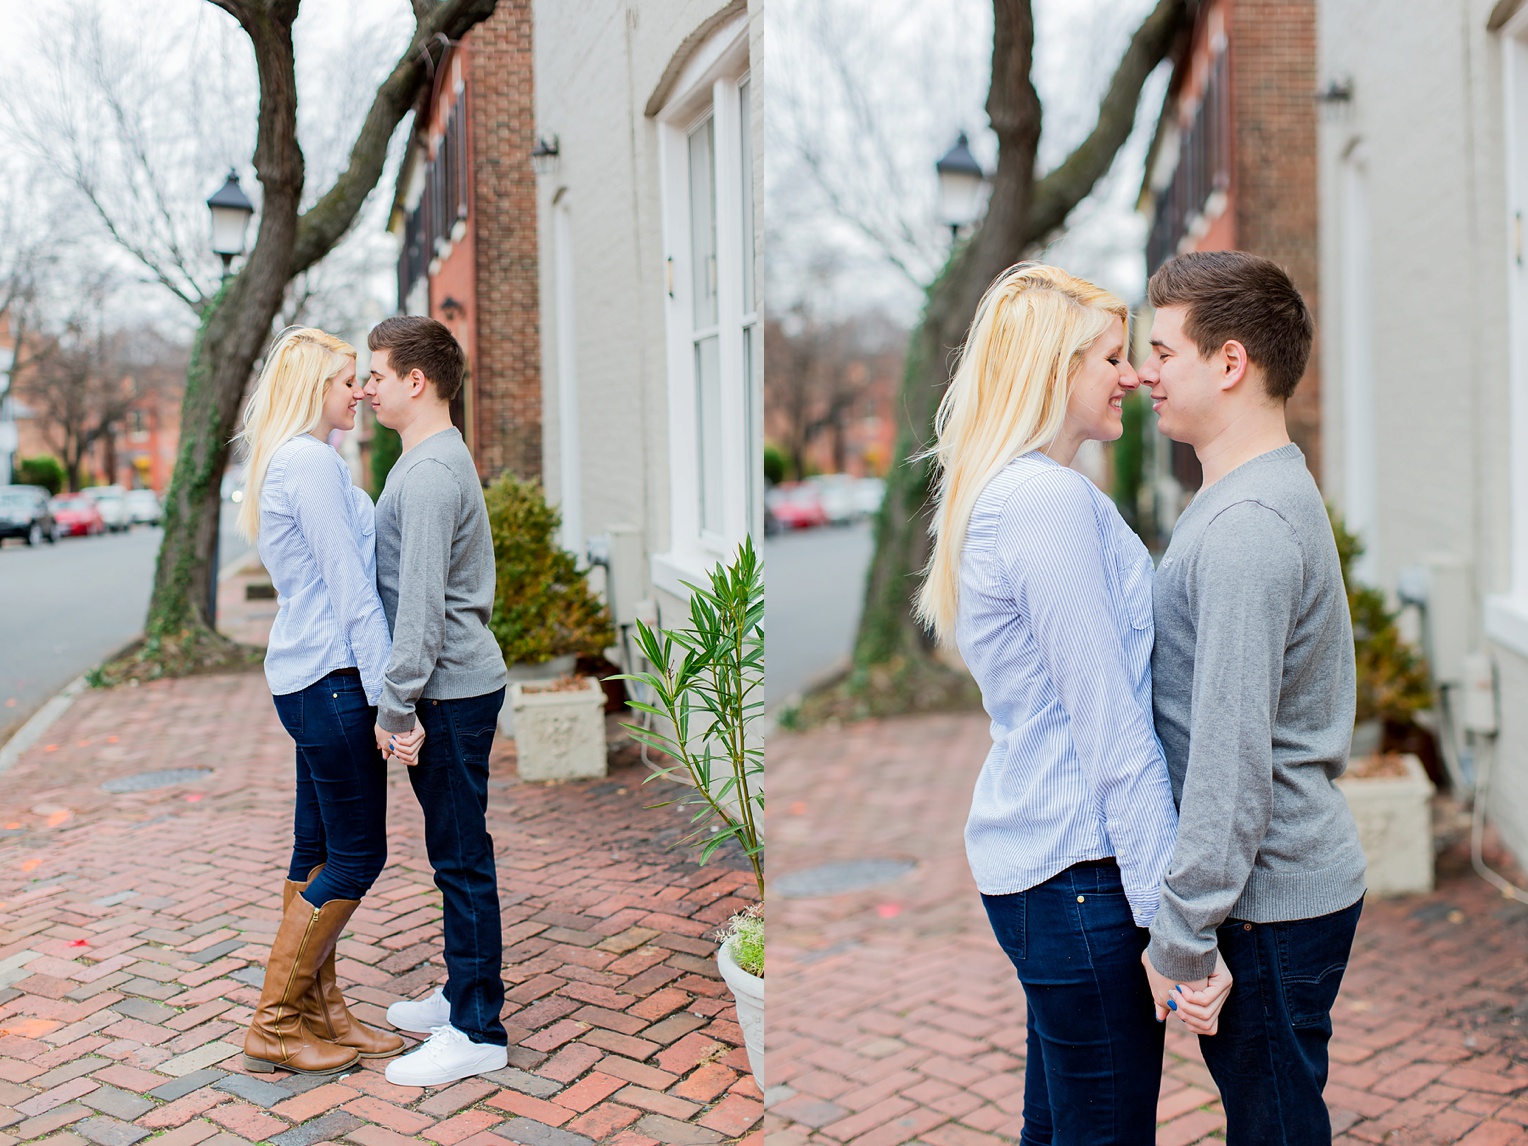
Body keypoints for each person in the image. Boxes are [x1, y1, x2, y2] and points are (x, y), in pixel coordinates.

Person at [916, 264, 1230, 1145]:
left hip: (1052, 874)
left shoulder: (1023, 493)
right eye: (1110, 356)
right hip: (1080, 878)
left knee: (1060, 1126)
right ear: (1054, 371)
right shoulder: (1043, 505)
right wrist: (1178, 929)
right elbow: (1111, 729)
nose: (1132, 374)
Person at [1138, 249, 1367, 1145]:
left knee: (1275, 1128)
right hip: (1272, 892)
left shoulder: (1246, 530)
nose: (1145, 373)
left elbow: (1231, 762)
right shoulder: (1248, 494)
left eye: (1163, 351)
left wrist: (1184, 935)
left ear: (1230, 363)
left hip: (1265, 905)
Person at [236, 327, 414, 1076]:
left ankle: (322, 1011)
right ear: (315, 387)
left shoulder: (308, 461)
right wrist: (389, 704)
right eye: (348, 380)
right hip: (334, 680)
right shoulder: (307, 462)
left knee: (315, 854)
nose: (361, 391)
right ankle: (275, 1023)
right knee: (357, 854)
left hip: (310, 678)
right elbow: (351, 590)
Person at [362, 316, 512, 1087]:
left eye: (377, 374)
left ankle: (479, 1028)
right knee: (455, 851)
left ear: (416, 381)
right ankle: (461, 991)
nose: (366, 387)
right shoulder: (429, 459)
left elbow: (418, 607)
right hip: (454, 685)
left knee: (460, 857)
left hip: (447, 691)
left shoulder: (426, 475)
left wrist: (396, 709)